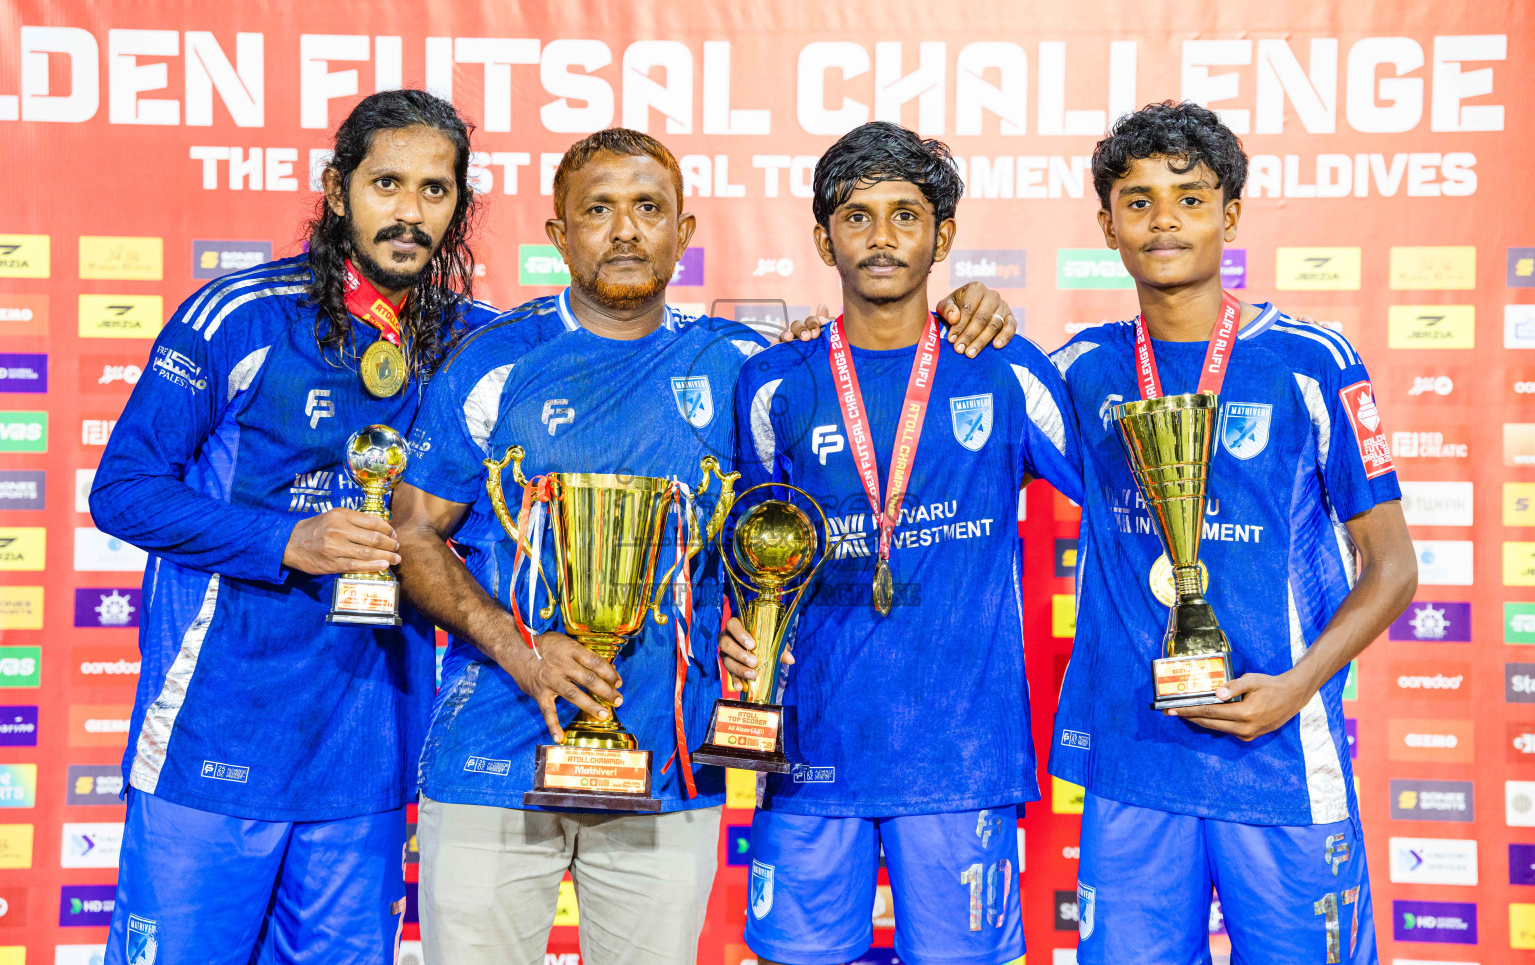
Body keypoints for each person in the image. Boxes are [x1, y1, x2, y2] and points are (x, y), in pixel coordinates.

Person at [390, 126, 1019, 965]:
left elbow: (802, 505)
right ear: (558, 235)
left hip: (669, 763)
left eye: (648, 209)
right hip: (494, 758)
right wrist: (522, 648)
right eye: (598, 211)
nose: (624, 231)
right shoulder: (494, 361)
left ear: (682, 233)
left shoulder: (746, 367)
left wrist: (967, 310)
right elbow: (413, 536)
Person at [90, 89, 497, 965]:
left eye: (435, 190)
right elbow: (122, 491)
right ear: (336, 187)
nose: (410, 211)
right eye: (387, 183)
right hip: (214, 737)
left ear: (459, 205)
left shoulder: (479, 346)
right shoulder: (239, 314)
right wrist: (285, 542)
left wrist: (798, 351)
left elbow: (610, 365)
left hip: (370, 754)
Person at [1048, 101, 1416, 964]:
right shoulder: (1080, 370)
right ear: (1106, 226)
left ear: (1231, 214)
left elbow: (1392, 566)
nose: (1163, 218)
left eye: (1189, 195)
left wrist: (1296, 686)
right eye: (1136, 201)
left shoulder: (1311, 361)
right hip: (1134, 764)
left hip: (1281, 762)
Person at [719, 121, 1082, 965]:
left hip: (959, 758)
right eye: (856, 216)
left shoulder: (1004, 368)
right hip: (807, 748)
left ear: (942, 236)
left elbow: (1124, 505)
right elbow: (742, 552)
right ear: (822, 238)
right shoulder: (775, 381)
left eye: (905, 215)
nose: (881, 237)